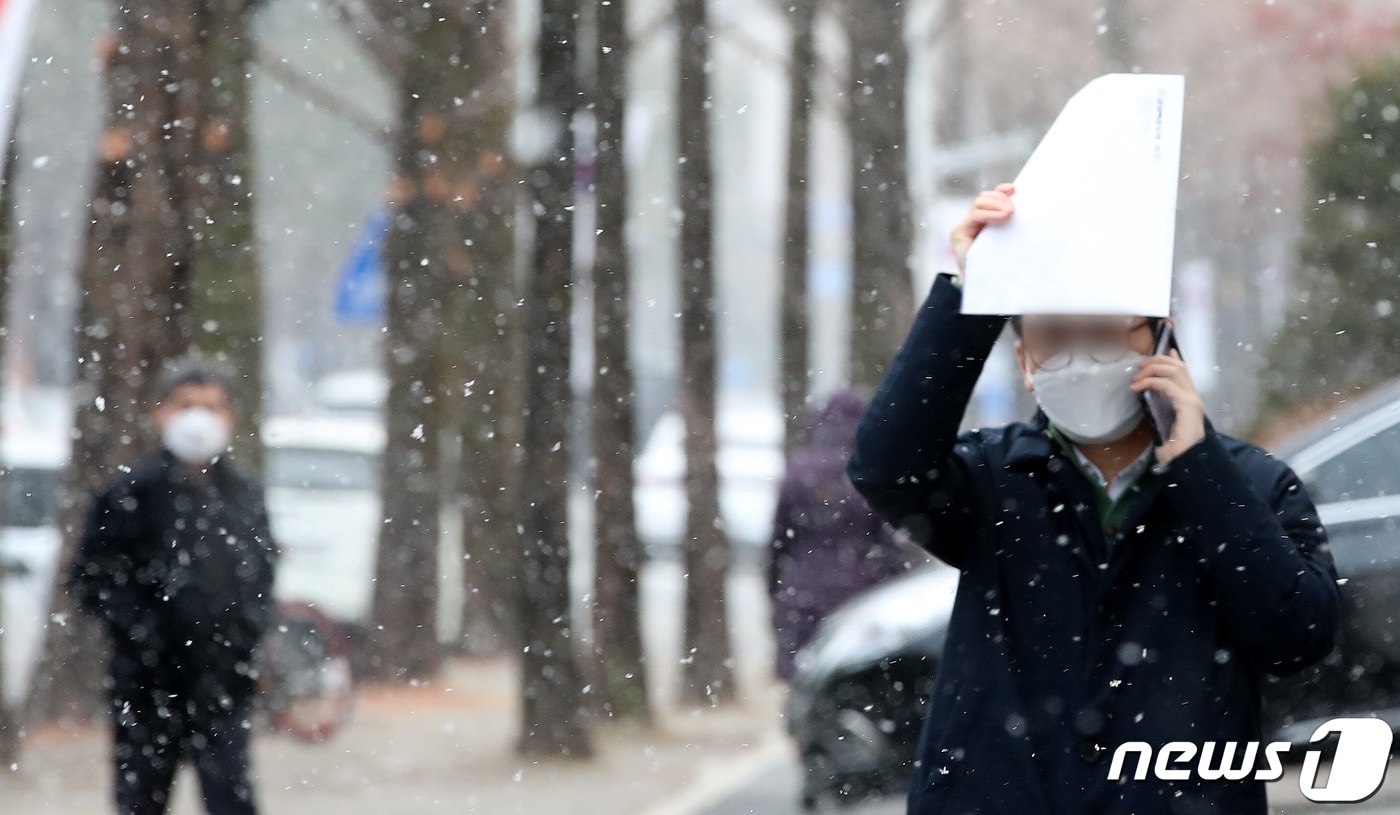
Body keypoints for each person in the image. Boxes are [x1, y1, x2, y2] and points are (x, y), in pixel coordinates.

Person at [847, 184, 1340, 815]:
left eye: (1107, 333)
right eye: (1054, 338)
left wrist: (1199, 471)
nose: (1079, 359)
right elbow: (887, 467)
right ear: (1024, 362)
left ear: (1161, 341)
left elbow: (1299, 634)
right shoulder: (994, 478)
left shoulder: (1251, 486)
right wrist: (971, 292)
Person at [71, 360, 278, 815]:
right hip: (147, 690)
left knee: (232, 799)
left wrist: (242, 642)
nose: (199, 418)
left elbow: (260, 575)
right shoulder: (128, 493)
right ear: (160, 412)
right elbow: (94, 579)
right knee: (141, 801)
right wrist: (147, 640)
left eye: (212, 407)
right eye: (187, 405)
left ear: (231, 417)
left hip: (223, 686)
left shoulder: (244, 492)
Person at [768, 388, 915, 681]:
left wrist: (774, 589)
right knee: (851, 678)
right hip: (858, 591)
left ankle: (806, 722)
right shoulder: (868, 470)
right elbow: (888, 544)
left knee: (804, 678)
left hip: (803, 592)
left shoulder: (797, 469)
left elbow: (778, 541)